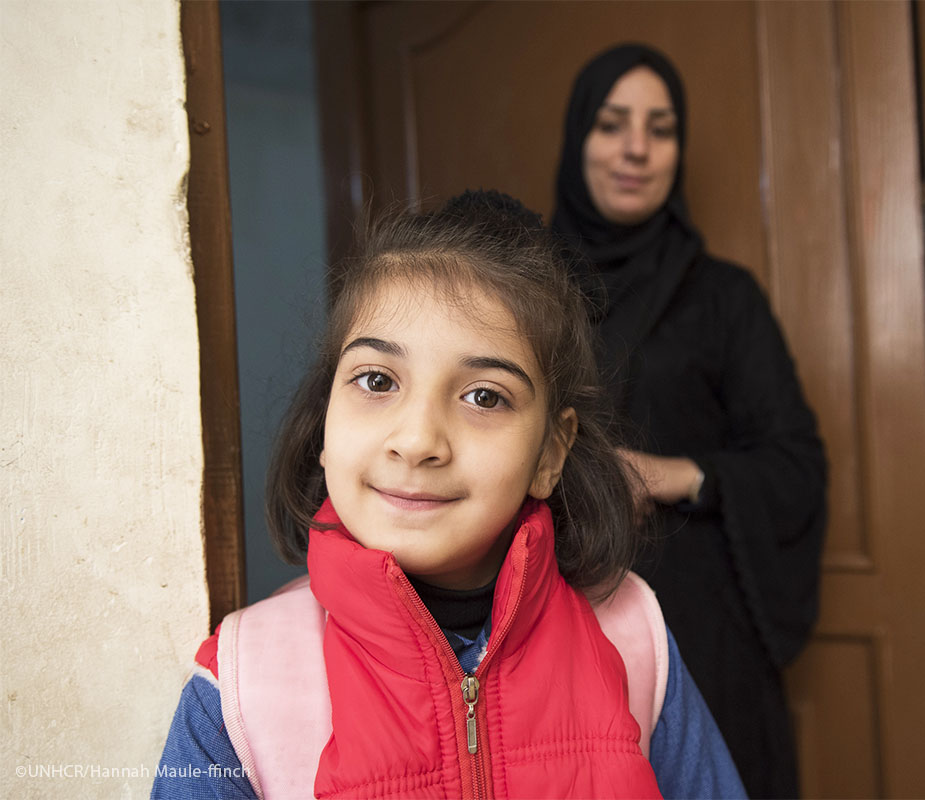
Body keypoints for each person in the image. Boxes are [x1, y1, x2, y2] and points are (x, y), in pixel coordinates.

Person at [151, 191, 745, 799]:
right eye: (377, 381)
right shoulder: (241, 685)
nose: (416, 441)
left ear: (549, 454)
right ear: (325, 424)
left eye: (484, 396)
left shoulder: (634, 639)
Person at [552, 44, 828, 798]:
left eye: (660, 128)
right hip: (556, 624)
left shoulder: (724, 299)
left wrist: (670, 474)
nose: (636, 147)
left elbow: (796, 462)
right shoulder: (532, 296)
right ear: (580, 139)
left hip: (704, 634)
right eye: (612, 124)